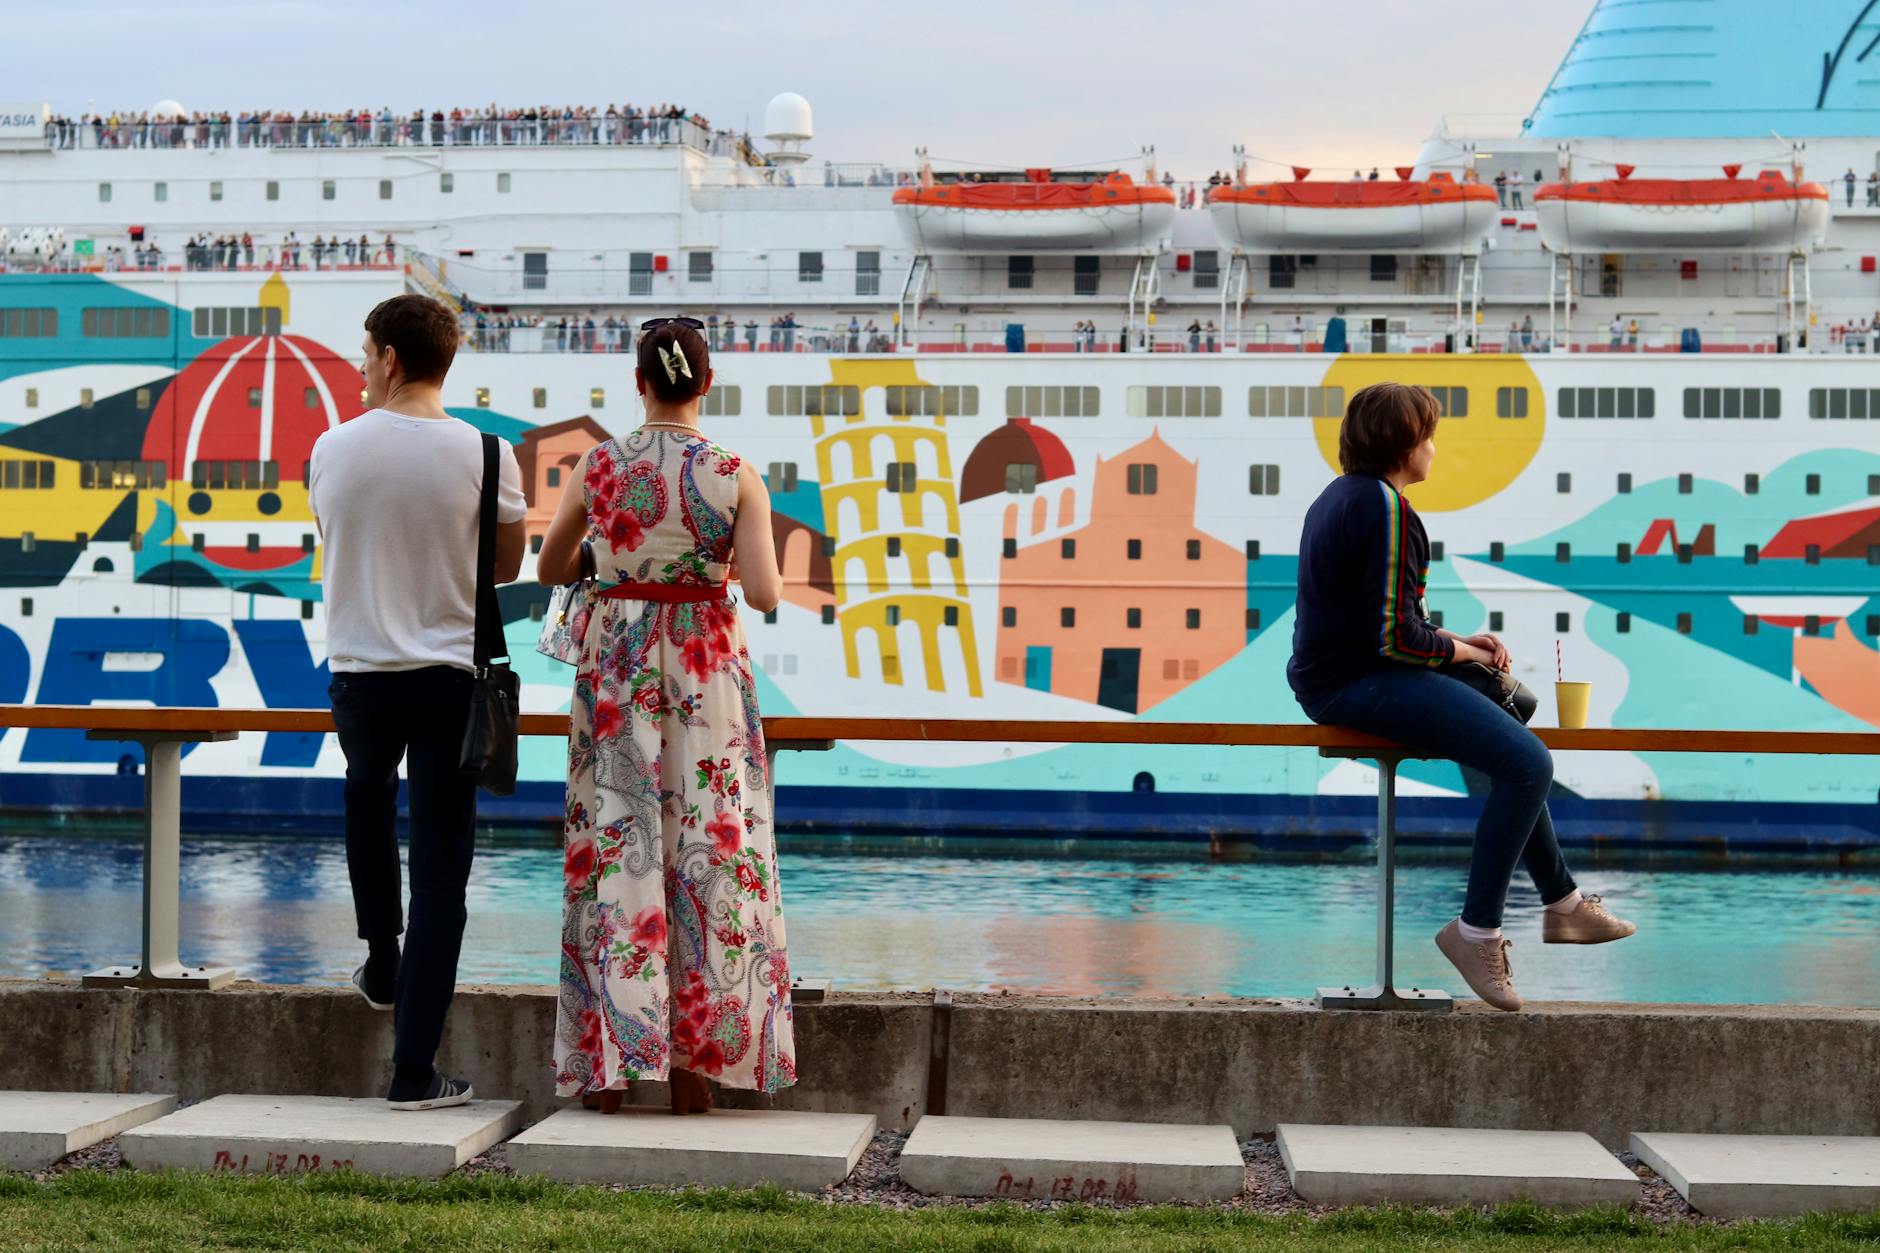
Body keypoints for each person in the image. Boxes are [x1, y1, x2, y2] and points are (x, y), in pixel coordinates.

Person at [1287, 383, 1635, 1011]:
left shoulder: (1341, 498)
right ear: (1403, 444)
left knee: (1514, 726)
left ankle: (1562, 904)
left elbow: (1373, 620)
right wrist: (1469, 652)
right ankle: (1477, 931)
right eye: (1428, 435)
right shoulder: (1388, 509)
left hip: (1336, 674)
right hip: (1356, 684)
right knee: (1528, 761)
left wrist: (1452, 640)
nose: (1433, 449)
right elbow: (1392, 638)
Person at [535, 316, 797, 1113]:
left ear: (639, 382)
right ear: (705, 383)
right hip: (706, 672)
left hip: (616, 668)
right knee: (709, 856)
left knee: (614, 853)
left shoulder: (600, 464)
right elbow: (764, 593)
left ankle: (609, 1070)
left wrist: (616, 560)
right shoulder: (733, 472)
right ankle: (694, 1072)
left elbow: (548, 564)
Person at [308, 294, 527, 1107]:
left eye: (366, 352)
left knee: (366, 802)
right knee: (440, 874)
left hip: (360, 675)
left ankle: (380, 958)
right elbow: (501, 567)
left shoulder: (330, 448)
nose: (362, 366)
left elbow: (341, 540)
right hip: (447, 680)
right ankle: (412, 1072)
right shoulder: (489, 454)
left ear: (391, 358)